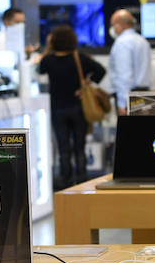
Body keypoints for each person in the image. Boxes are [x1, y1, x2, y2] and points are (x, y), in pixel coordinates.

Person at [38, 25, 106, 189]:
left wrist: (47, 49)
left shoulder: (49, 59)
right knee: (79, 146)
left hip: (57, 108)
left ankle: (65, 183)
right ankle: (82, 181)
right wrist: (86, 83)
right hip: (77, 107)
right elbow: (100, 71)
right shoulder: (79, 57)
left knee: (63, 148)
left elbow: (39, 70)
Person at [108, 9, 151, 115]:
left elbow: (124, 75)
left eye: (113, 25)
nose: (113, 28)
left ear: (120, 25)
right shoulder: (143, 41)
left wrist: (122, 104)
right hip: (145, 94)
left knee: (129, 131)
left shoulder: (122, 42)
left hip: (129, 97)